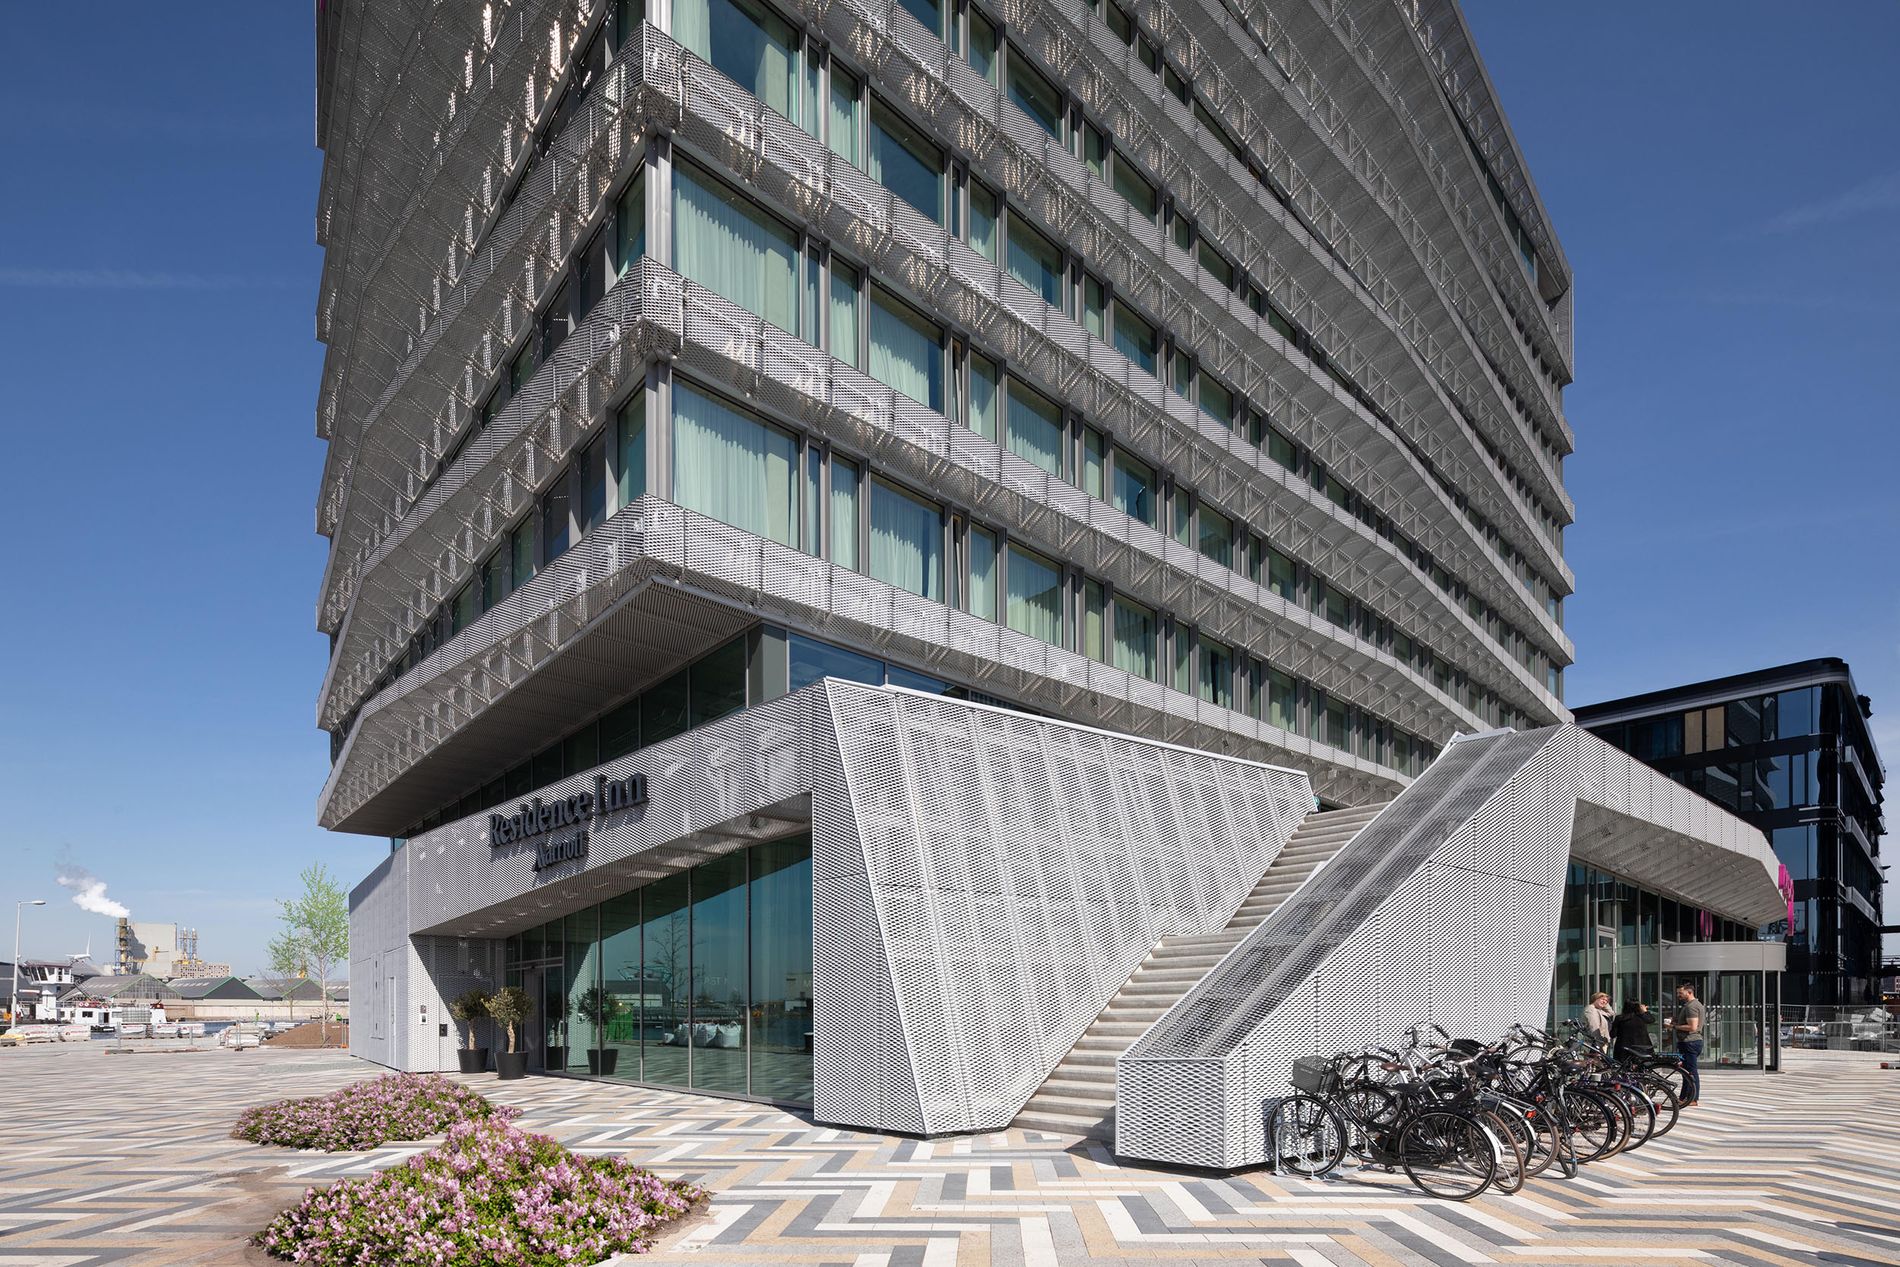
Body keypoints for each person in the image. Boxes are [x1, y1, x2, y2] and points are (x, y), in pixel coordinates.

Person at [1670, 983, 1705, 1106]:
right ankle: (1684, 1097)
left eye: (1680, 993)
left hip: (1690, 1041)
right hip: (1691, 1041)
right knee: (1686, 1071)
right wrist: (1677, 1021)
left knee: (1691, 1071)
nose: (1678, 995)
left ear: (1689, 992)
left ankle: (1693, 1099)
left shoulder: (1692, 1006)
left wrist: (1673, 1026)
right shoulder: (1692, 1005)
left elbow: (1692, 1027)